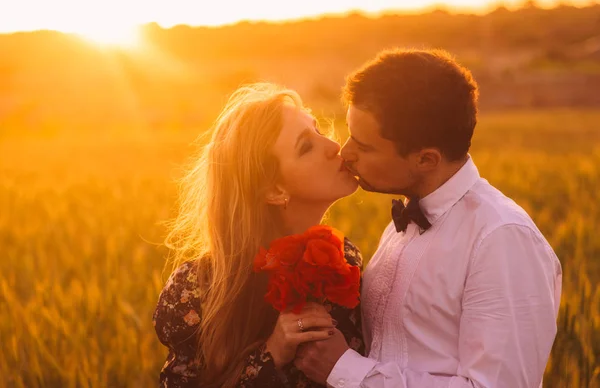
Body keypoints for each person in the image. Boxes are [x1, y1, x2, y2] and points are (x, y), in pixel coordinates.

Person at [294, 49, 563, 388]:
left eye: (364, 146)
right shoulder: (404, 224)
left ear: (426, 160)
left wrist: (346, 370)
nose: (345, 152)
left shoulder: (501, 239)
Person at [153, 83, 365, 387]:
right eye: (306, 146)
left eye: (318, 130)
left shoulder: (344, 259)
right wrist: (271, 353)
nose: (333, 146)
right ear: (274, 190)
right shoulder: (196, 288)